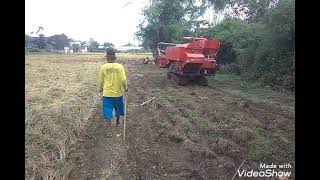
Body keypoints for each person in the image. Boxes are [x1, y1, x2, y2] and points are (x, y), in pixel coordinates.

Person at [98, 48, 128, 137]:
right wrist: (125, 88)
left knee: (108, 112)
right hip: (118, 93)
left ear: (107, 58)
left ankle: (109, 130)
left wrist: (100, 89)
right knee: (118, 108)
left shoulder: (103, 67)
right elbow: (123, 79)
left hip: (107, 94)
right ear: (115, 57)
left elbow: (101, 80)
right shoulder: (120, 67)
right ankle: (118, 121)